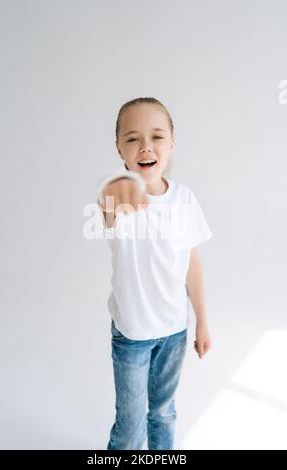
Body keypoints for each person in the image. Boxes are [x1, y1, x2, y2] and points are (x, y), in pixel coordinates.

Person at [96, 97, 213, 450]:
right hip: (132, 335)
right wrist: (114, 193)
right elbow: (107, 205)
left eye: (157, 137)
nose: (146, 146)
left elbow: (191, 263)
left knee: (163, 413)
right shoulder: (121, 195)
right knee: (131, 428)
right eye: (133, 139)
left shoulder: (184, 199)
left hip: (175, 331)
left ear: (172, 142)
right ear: (120, 148)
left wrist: (202, 321)